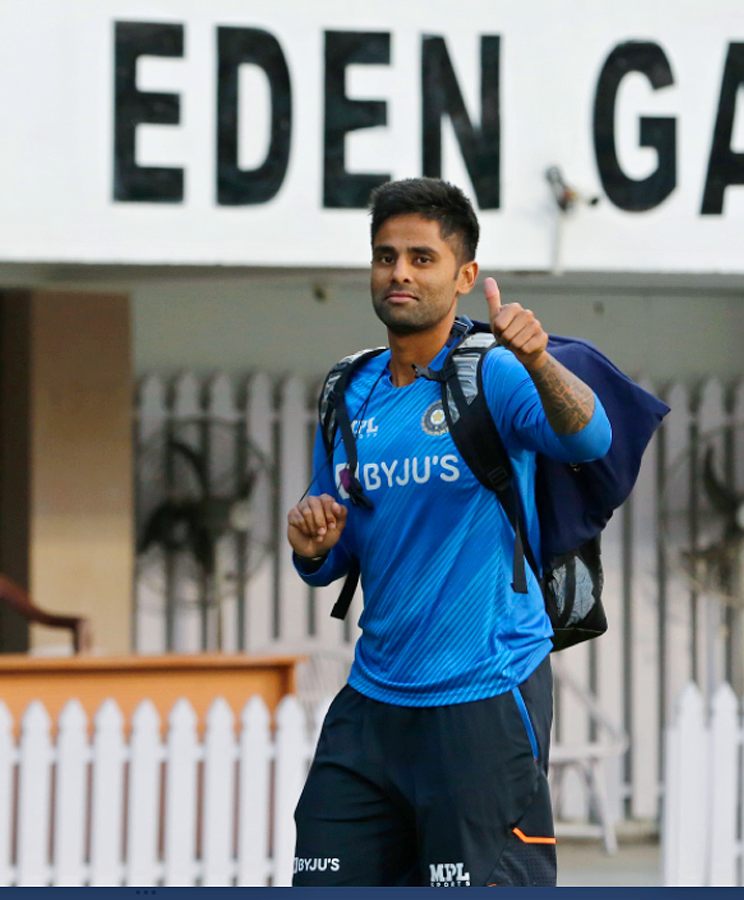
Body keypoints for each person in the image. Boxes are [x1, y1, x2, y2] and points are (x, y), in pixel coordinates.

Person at [288, 178, 612, 887]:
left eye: (422, 258)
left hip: (483, 696)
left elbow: (589, 435)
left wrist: (538, 359)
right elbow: (334, 536)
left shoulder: (493, 373)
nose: (399, 272)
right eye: (385, 256)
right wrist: (312, 547)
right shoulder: (348, 391)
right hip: (373, 703)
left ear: (465, 276)